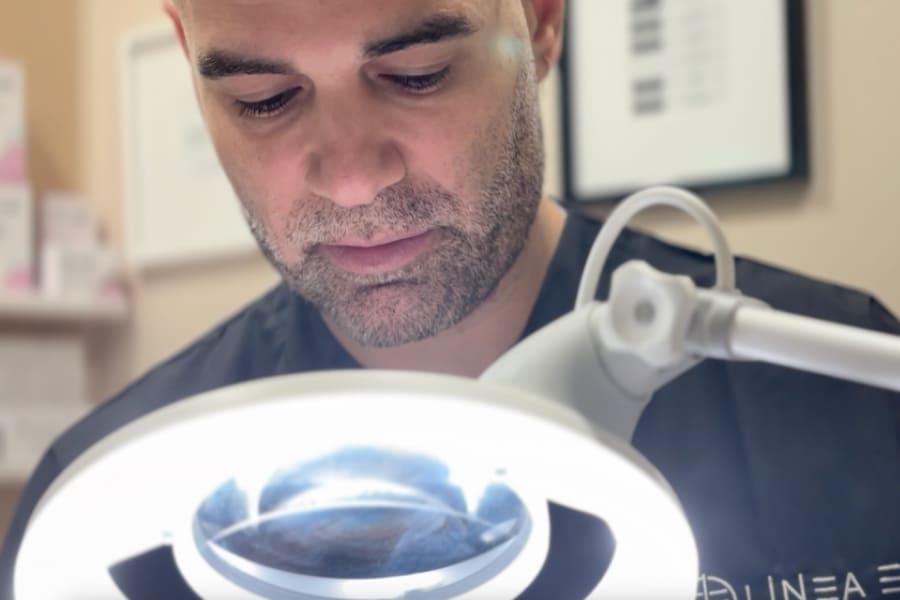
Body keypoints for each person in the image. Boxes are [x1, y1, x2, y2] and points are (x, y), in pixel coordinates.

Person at [3, 1, 900, 598]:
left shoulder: (848, 392)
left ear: (539, 19)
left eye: (417, 74)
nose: (353, 179)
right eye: (264, 100)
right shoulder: (106, 518)